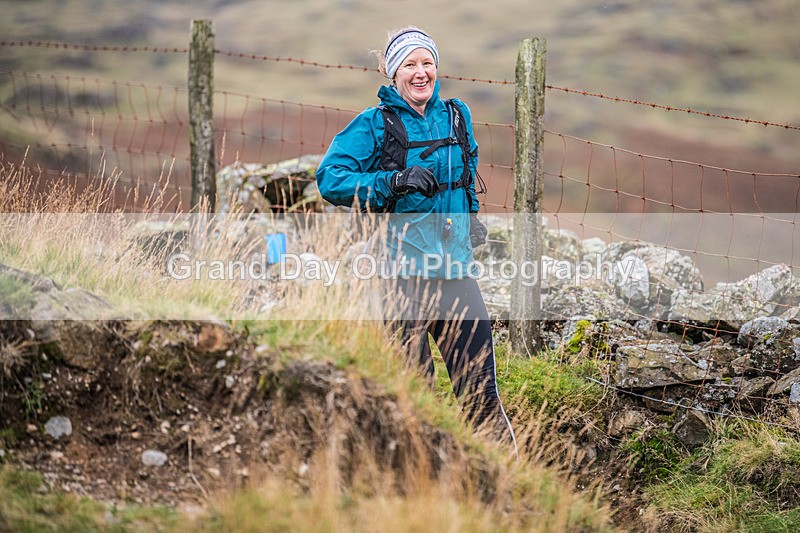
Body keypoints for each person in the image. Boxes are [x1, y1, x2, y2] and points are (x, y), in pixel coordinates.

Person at [316, 27, 517, 452]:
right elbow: (330, 178)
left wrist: (470, 220)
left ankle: (505, 490)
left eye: (427, 62)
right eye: (410, 64)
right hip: (400, 280)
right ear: (394, 73)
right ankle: (418, 490)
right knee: (415, 399)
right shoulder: (375, 125)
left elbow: (467, 173)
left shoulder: (457, 117)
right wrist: (393, 181)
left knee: (481, 395)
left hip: (456, 275)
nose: (420, 72)